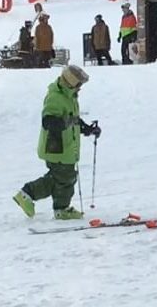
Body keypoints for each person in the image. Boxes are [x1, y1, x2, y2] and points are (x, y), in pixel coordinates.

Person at [13, 65, 101, 220]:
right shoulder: (55, 96)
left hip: (66, 147)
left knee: (65, 179)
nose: (80, 88)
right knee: (60, 178)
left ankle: (62, 209)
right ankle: (27, 193)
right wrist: (62, 123)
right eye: (78, 84)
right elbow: (48, 120)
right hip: (56, 147)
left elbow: (73, 119)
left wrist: (87, 129)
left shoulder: (69, 96)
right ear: (70, 82)